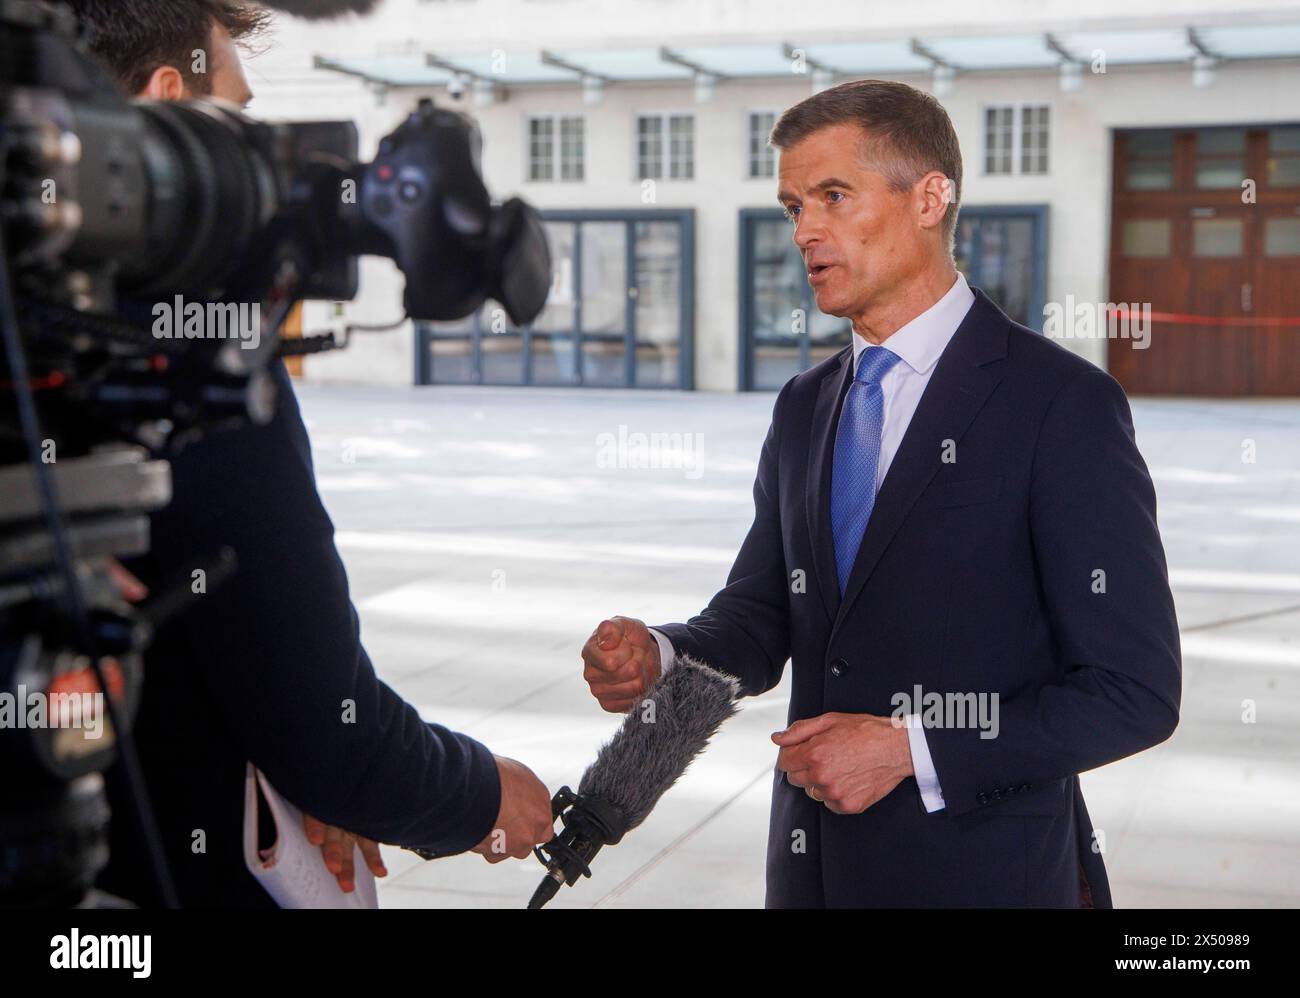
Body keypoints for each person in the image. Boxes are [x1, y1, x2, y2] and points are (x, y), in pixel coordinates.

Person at [581, 79, 1182, 908]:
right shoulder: (804, 407)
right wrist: (664, 653)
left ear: (930, 198)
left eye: (834, 196)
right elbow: (762, 616)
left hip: (981, 878)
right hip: (812, 874)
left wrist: (909, 749)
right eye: (794, 205)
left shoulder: (1060, 404)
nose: (805, 230)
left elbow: (1133, 693)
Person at [65, 0, 555, 906]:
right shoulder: (190, 355)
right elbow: (327, 732)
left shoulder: (43, 330)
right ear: (172, 106)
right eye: (240, 124)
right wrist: (483, 793)